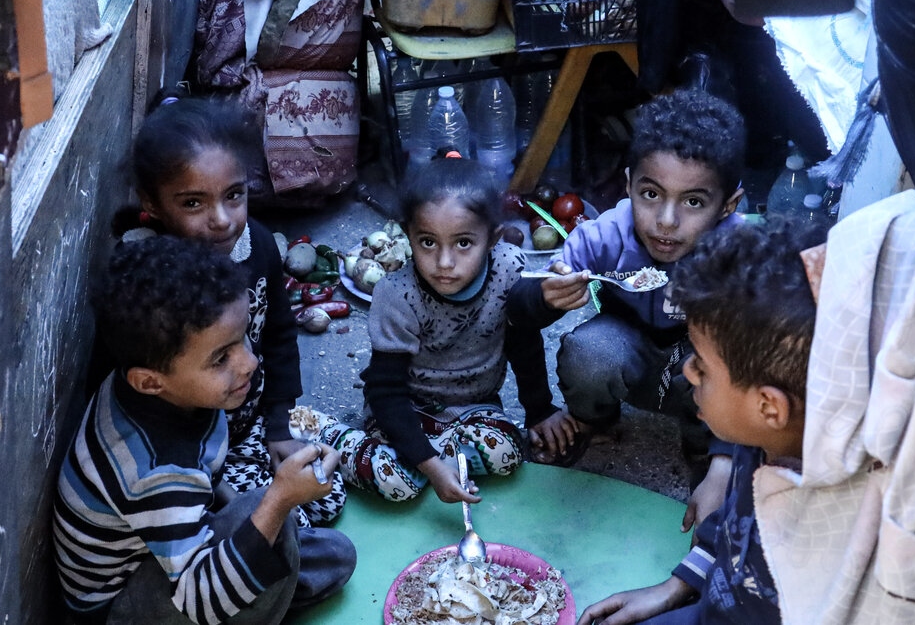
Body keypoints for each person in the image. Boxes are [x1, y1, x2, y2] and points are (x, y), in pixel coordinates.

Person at [54, 237, 355, 625]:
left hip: (169, 546)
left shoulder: (170, 388)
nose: (248, 363)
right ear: (149, 382)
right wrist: (279, 499)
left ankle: (251, 569)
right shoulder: (158, 472)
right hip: (125, 608)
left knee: (335, 554)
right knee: (266, 514)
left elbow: (205, 488)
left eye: (242, 339)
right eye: (220, 358)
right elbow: (200, 600)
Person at [577, 218, 823, 625]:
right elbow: (732, 525)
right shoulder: (761, 439)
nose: (687, 371)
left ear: (769, 407)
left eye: (703, 367)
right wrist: (675, 588)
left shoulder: (815, 528)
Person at [523, 88, 746, 519]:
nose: (666, 221)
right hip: (628, 348)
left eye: (694, 202)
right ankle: (593, 420)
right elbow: (527, 296)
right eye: (650, 195)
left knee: (729, 369)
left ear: (727, 206)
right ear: (628, 185)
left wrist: (724, 463)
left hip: (703, 366)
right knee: (589, 352)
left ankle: (707, 449)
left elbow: (753, 367)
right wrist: (548, 293)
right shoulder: (610, 233)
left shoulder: (741, 255)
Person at [120, 96, 344, 526]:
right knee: (288, 526)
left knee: (326, 498)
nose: (222, 220)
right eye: (192, 203)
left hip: (251, 422)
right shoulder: (148, 284)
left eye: (234, 195)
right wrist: (217, 489)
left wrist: (278, 427)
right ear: (152, 202)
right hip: (191, 457)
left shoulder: (255, 243)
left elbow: (279, 332)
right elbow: (149, 409)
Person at [300, 157, 556, 504]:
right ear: (409, 236)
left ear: (493, 239)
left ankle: (420, 460)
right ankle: (330, 434)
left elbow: (523, 342)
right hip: (406, 409)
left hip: (473, 409)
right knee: (398, 485)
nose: (445, 262)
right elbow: (386, 391)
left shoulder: (507, 271)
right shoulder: (397, 295)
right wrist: (430, 464)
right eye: (428, 243)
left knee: (508, 452)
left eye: (463, 243)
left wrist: (540, 410)